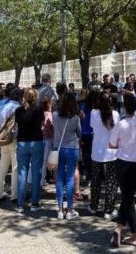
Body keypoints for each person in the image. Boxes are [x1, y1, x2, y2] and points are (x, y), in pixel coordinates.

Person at [109, 94, 136, 248]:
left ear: (124, 107)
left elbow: (111, 144)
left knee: (127, 198)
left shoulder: (120, 124)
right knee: (127, 197)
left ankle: (132, 233)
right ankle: (121, 228)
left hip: (124, 164)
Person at [88, 91, 119, 219]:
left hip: (97, 152)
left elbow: (92, 126)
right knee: (111, 183)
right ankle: (108, 210)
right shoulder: (116, 114)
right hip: (111, 153)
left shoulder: (94, 113)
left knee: (95, 181)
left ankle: (93, 206)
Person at [15, 88, 45, 213]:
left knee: (22, 173)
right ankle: (34, 202)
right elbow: (42, 124)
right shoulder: (38, 110)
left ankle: (20, 204)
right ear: (35, 98)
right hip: (36, 142)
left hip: (22, 143)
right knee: (36, 172)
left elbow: (17, 125)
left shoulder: (19, 110)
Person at [53, 91, 81, 220]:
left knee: (59, 179)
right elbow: (79, 133)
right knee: (70, 178)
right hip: (72, 148)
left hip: (58, 148)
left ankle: (59, 210)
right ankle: (70, 210)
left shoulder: (55, 115)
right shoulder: (75, 117)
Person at [0, 87, 22, 203]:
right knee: (15, 168)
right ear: (20, 97)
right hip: (15, 141)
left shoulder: (1, 108)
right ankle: (14, 195)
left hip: (3, 140)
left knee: (2, 168)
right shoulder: (19, 109)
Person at [78, 88, 93, 183]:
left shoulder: (78, 105)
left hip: (82, 132)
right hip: (91, 132)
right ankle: (91, 174)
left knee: (85, 154)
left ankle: (86, 173)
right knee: (91, 153)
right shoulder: (92, 105)